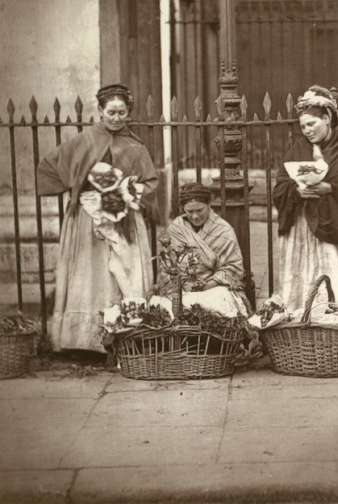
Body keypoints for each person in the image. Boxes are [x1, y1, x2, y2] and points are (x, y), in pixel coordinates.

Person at [37, 84, 159, 353]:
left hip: (124, 219)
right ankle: (84, 340)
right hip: (87, 220)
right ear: (100, 111)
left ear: (129, 112)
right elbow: (49, 165)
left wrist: (126, 190)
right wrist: (80, 189)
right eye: (111, 112)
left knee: (124, 274)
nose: (116, 118)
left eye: (122, 112)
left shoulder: (135, 146)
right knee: (89, 274)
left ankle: (124, 335)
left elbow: (150, 183)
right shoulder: (85, 140)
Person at [272, 85, 338, 313]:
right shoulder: (298, 149)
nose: (307, 131)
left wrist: (331, 188)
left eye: (311, 124)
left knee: (334, 273)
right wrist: (296, 192)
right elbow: (280, 185)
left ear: (327, 118)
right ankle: (302, 315)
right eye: (303, 126)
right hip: (303, 228)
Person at [157, 182, 252, 316]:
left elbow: (232, 267)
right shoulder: (176, 229)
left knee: (219, 305)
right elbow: (166, 266)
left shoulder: (223, 230)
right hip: (180, 289)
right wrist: (181, 285)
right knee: (166, 307)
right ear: (183, 208)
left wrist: (208, 285)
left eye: (200, 210)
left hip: (212, 288)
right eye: (190, 211)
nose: (195, 216)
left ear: (209, 205)